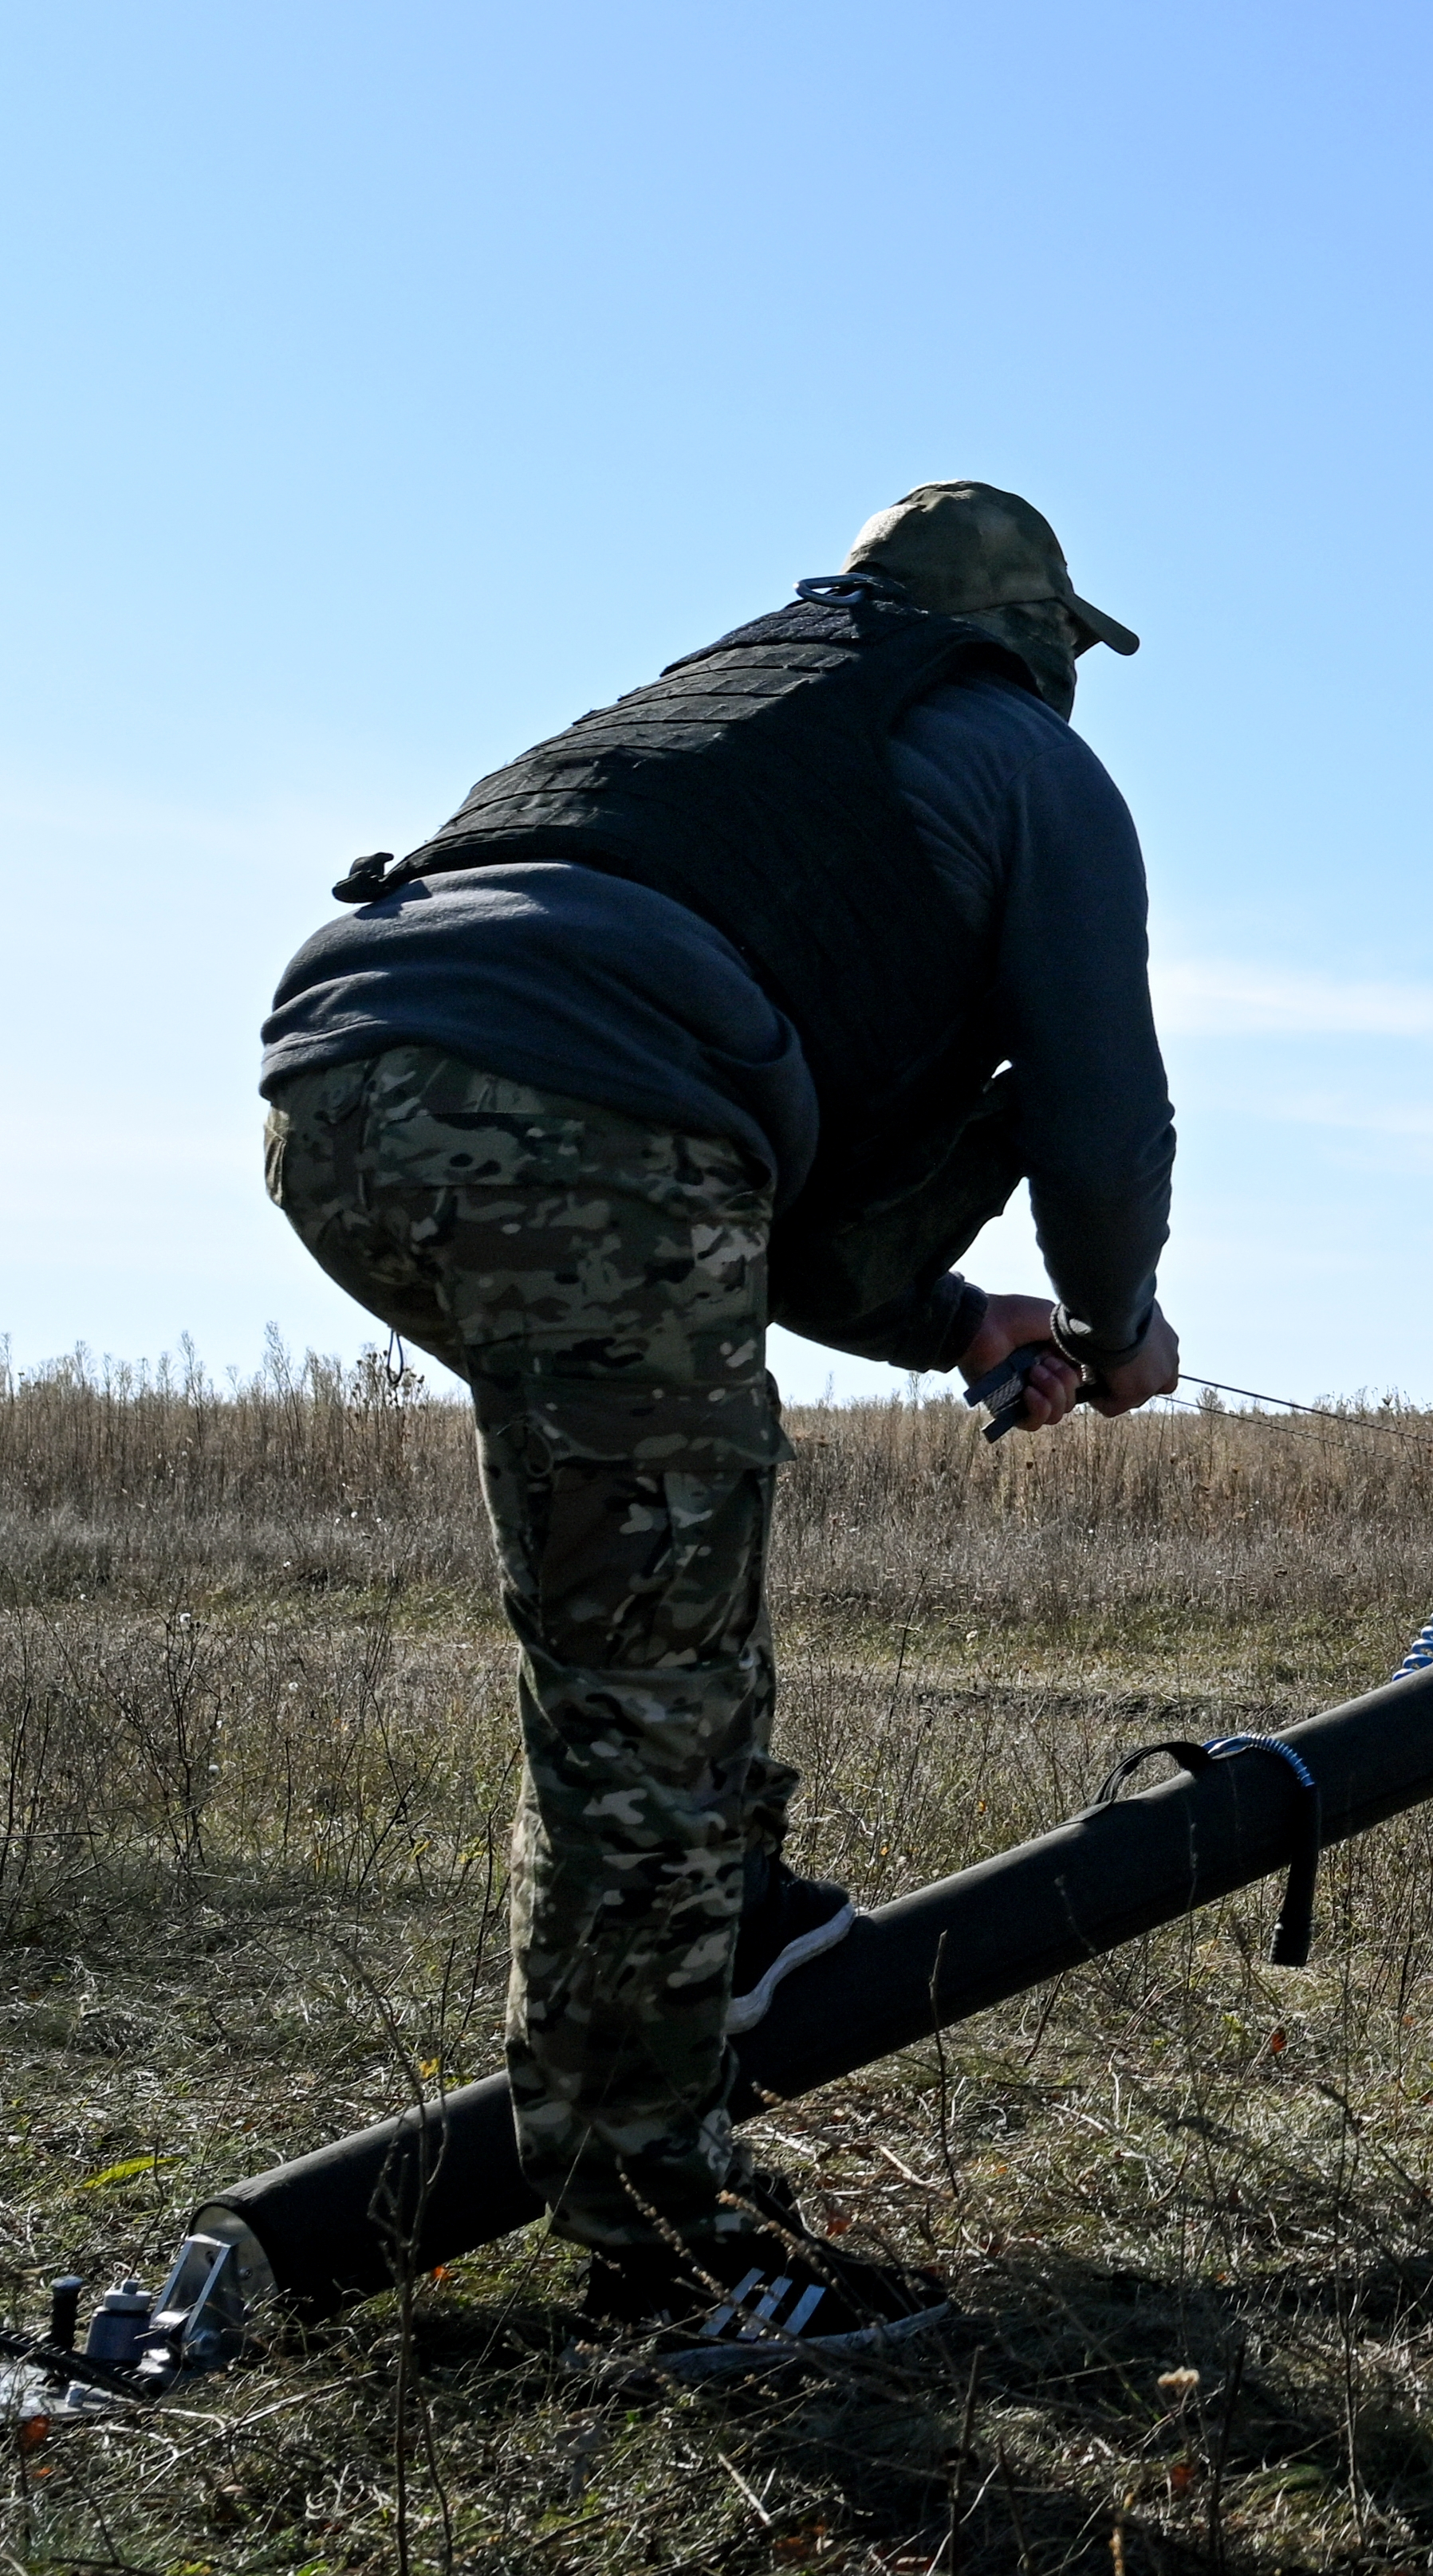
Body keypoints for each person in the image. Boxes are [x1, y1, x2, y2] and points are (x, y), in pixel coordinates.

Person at [255, 482, 1180, 2370]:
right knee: (639, 1694)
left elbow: (737, 1183)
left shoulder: (716, 712)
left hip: (341, 1096)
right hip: (573, 1116)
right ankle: (658, 2245)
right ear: (1031, 633)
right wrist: (1110, 1321)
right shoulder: (1019, 755)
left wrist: (955, 1322)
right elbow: (1101, 1119)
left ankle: (722, 1914)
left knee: (646, 1616)